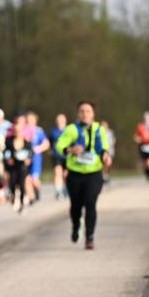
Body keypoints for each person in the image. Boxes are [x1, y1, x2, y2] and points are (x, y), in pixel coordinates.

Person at [54, 100, 113, 250]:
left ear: (93, 114)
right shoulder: (71, 129)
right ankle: (76, 225)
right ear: (78, 113)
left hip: (94, 173)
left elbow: (104, 147)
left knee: (91, 203)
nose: (85, 114)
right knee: (76, 206)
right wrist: (70, 149)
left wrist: (106, 156)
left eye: (88, 111)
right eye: (82, 111)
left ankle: (90, 237)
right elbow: (59, 145)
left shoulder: (99, 130)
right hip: (75, 174)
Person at [4, 113, 33, 214]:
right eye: (16, 130)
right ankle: (13, 196)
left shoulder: (26, 141)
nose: (17, 132)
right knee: (12, 182)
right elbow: (6, 151)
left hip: (22, 166)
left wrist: (29, 159)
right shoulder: (9, 141)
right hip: (13, 166)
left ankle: (22, 202)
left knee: (22, 184)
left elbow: (30, 152)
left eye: (19, 130)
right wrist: (8, 159)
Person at [133, 111, 149, 181]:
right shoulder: (140, 126)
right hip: (143, 146)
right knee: (146, 162)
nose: (147, 119)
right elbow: (136, 136)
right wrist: (138, 139)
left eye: (148, 118)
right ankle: (148, 174)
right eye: (145, 118)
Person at [49, 113, 68, 199]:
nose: (59, 121)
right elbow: (49, 141)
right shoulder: (53, 131)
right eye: (58, 120)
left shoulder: (69, 130)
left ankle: (66, 189)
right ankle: (58, 191)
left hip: (67, 156)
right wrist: (51, 151)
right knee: (57, 172)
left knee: (65, 174)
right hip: (56, 156)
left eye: (61, 120)